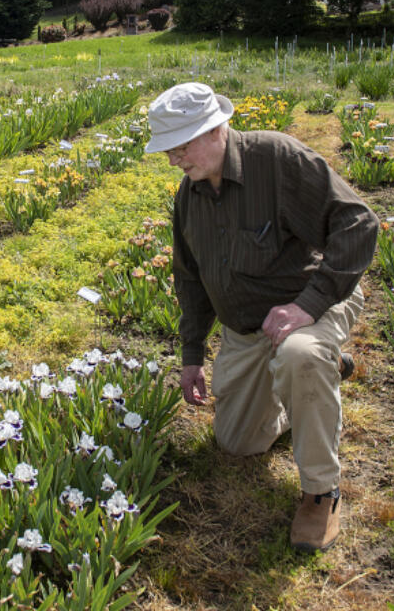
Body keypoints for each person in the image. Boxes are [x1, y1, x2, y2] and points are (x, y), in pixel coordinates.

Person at [145, 82, 378, 552]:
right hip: (248, 329)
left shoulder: (277, 160)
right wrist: (192, 354)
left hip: (310, 304)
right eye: (167, 149)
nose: (173, 158)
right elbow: (189, 278)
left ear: (216, 129)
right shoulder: (189, 196)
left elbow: (359, 222)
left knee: (299, 355)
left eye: (181, 145)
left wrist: (307, 306)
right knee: (236, 443)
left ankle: (320, 492)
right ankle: (314, 382)